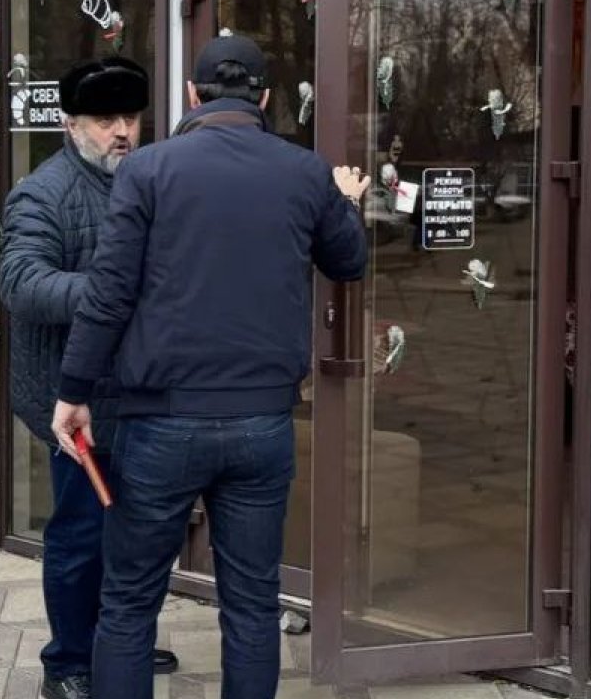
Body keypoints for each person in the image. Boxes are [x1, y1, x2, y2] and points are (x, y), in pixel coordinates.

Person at [52, 34, 371, 699]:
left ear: (193, 95)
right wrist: (343, 202)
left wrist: (73, 390)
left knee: (129, 603)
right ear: (265, 98)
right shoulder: (304, 171)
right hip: (262, 424)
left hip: (160, 425)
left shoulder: (148, 170)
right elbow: (348, 261)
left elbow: (109, 293)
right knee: (252, 605)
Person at [0, 56, 178, 699]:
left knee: (137, 531)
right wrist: (111, 293)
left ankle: (119, 641)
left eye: (130, 117)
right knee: (81, 535)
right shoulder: (42, 193)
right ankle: (68, 663)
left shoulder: (150, 182)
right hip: (72, 402)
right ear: (71, 125)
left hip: (140, 395)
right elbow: (22, 283)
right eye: (105, 121)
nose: (122, 132)